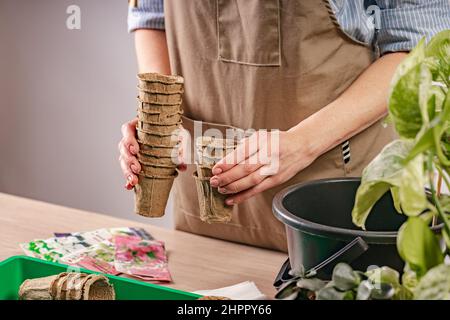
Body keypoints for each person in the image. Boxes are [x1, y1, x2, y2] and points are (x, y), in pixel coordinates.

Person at [119, 0, 450, 252]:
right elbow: (151, 14)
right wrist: (161, 119)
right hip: (201, 212)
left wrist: (303, 143)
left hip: (329, 195)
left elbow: (420, 45)